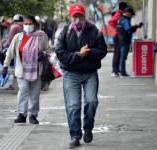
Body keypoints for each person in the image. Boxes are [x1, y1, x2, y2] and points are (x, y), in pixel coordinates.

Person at [55, 4, 107, 148]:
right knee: (73, 105)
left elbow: (102, 51)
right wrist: (77, 55)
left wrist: (89, 52)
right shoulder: (65, 31)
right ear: (70, 17)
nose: (78, 19)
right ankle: (75, 135)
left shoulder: (94, 30)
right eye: (75, 16)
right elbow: (60, 53)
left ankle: (88, 128)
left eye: (80, 16)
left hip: (89, 73)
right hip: (71, 74)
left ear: (85, 16)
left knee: (91, 101)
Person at [2, 16, 49, 124]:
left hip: (36, 71)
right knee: (23, 90)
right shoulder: (18, 37)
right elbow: (10, 52)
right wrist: (5, 66)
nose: (27, 26)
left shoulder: (42, 36)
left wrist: (44, 54)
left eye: (30, 23)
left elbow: (49, 50)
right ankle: (22, 114)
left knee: (35, 94)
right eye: (25, 24)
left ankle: (33, 115)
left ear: (35, 24)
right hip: (22, 70)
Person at [117, 6, 143, 76]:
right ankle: (123, 72)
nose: (131, 16)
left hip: (121, 40)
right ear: (128, 13)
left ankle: (120, 71)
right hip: (125, 41)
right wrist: (137, 26)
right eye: (131, 14)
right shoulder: (125, 20)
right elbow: (129, 30)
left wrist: (135, 26)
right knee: (123, 57)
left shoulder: (120, 19)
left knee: (122, 56)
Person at [2, 14, 24, 90]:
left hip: (14, 51)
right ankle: (14, 84)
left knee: (14, 67)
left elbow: (10, 40)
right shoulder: (22, 27)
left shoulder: (14, 27)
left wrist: (4, 46)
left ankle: (13, 84)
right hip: (22, 50)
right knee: (17, 68)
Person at [108, 2, 128, 77]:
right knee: (117, 53)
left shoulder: (121, 14)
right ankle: (114, 70)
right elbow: (110, 21)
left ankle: (117, 70)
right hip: (117, 36)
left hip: (118, 35)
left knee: (119, 53)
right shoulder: (119, 13)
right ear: (124, 8)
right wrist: (117, 27)